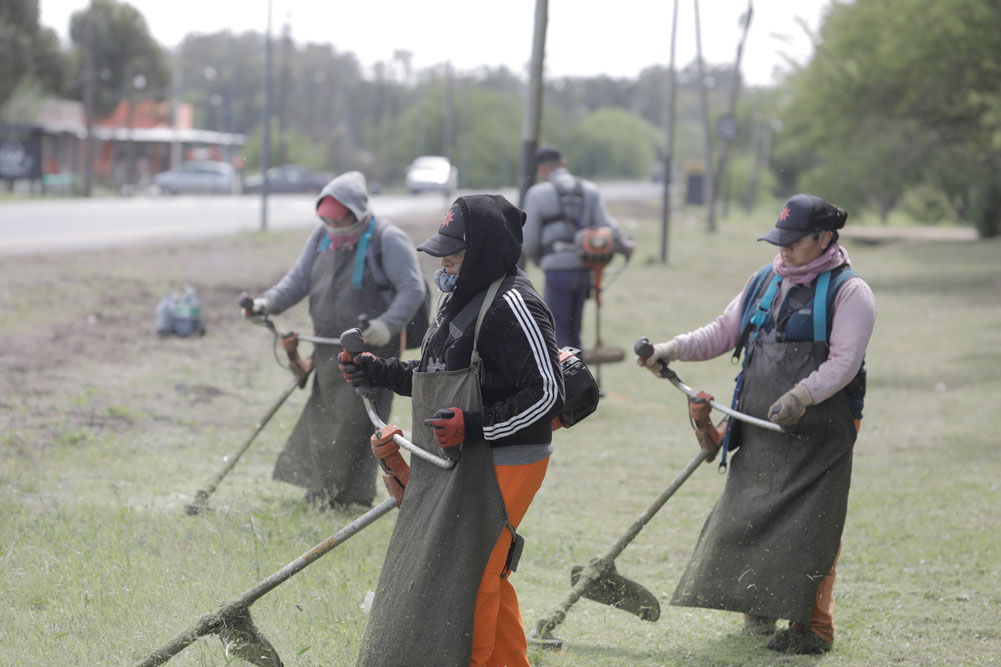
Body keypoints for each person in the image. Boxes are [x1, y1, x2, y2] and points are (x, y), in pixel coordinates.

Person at [640, 193, 877, 655]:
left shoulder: (851, 292)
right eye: (780, 240)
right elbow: (724, 331)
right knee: (751, 514)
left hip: (821, 429)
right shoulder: (764, 281)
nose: (783, 249)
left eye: (794, 241)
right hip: (759, 425)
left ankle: (814, 628)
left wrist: (802, 395)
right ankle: (760, 606)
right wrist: (671, 349)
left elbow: (845, 363)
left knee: (813, 526)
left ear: (824, 238)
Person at [341, 194, 565, 666]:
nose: (444, 263)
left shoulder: (516, 305)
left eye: (455, 254)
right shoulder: (456, 299)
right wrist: (377, 371)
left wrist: (476, 426)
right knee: (484, 572)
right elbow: (432, 374)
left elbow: (548, 395)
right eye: (442, 252)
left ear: (484, 253)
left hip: (509, 459)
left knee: (474, 576)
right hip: (464, 456)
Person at [246, 171, 425, 510]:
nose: (333, 229)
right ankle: (320, 489)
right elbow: (298, 280)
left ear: (356, 214)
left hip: (371, 349)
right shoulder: (321, 237)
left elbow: (412, 289)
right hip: (327, 346)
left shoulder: (388, 239)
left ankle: (346, 497)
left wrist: (386, 326)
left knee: (355, 424)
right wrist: (266, 304)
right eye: (326, 221)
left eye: (339, 222)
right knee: (323, 418)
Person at [522, 144, 634, 352]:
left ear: (541, 170)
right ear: (563, 164)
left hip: (556, 269)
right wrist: (625, 246)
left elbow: (529, 240)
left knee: (558, 332)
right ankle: (580, 378)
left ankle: (567, 381)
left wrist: (541, 260)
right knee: (575, 331)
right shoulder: (590, 191)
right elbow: (608, 226)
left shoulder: (537, 194)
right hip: (584, 269)